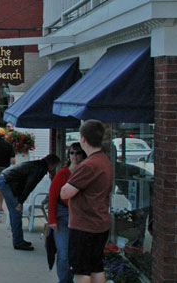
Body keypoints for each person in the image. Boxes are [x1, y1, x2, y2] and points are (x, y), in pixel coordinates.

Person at [61, 120, 113, 283]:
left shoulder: (88, 165)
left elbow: (65, 192)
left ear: (83, 139)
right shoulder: (104, 160)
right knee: (96, 267)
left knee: (81, 271)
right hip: (100, 223)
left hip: (84, 225)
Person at [0, 153, 61, 250]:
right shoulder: (39, 170)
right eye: (55, 166)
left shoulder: (37, 164)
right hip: (6, 182)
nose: (54, 169)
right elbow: (29, 186)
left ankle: (18, 239)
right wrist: (20, 202)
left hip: (6, 179)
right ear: (51, 164)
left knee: (15, 212)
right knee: (16, 211)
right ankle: (18, 242)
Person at [49, 142, 88, 283]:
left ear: (83, 155)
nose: (75, 156)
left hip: (81, 218)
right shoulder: (63, 173)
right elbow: (52, 196)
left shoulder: (87, 174)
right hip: (63, 216)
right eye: (72, 153)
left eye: (78, 153)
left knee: (78, 254)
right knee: (64, 253)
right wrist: (52, 220)